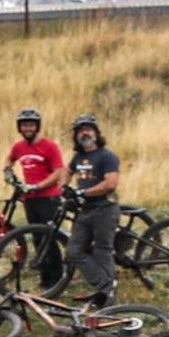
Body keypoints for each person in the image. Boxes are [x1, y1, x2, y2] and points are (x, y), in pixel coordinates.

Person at [64, 114, 123, 306]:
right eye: (80, 130)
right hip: (86, 210)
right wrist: (64, 186)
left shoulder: (107, 156)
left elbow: (111, 184)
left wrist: (84, 192)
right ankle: (105, 285)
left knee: (102, 250)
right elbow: (67, 170)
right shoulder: (78, 157)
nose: (84, 133)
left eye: (88, 129)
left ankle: (108, 296)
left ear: (96, 133)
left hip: (104, 209)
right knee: (73, 251)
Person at [6, 106, 67, 288]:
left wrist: (38, 186)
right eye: (25, 125)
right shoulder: (19, 147)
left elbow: (58, 172)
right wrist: (7, 171)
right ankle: (45, 277)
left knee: (50, 238)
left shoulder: (49, 146)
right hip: (30, 199)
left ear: (37, 126)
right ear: (20, 127)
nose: (28, 129)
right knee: (37, 238)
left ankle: (57, 278)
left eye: (31, 125)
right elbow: (9, 159)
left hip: (48, 198)